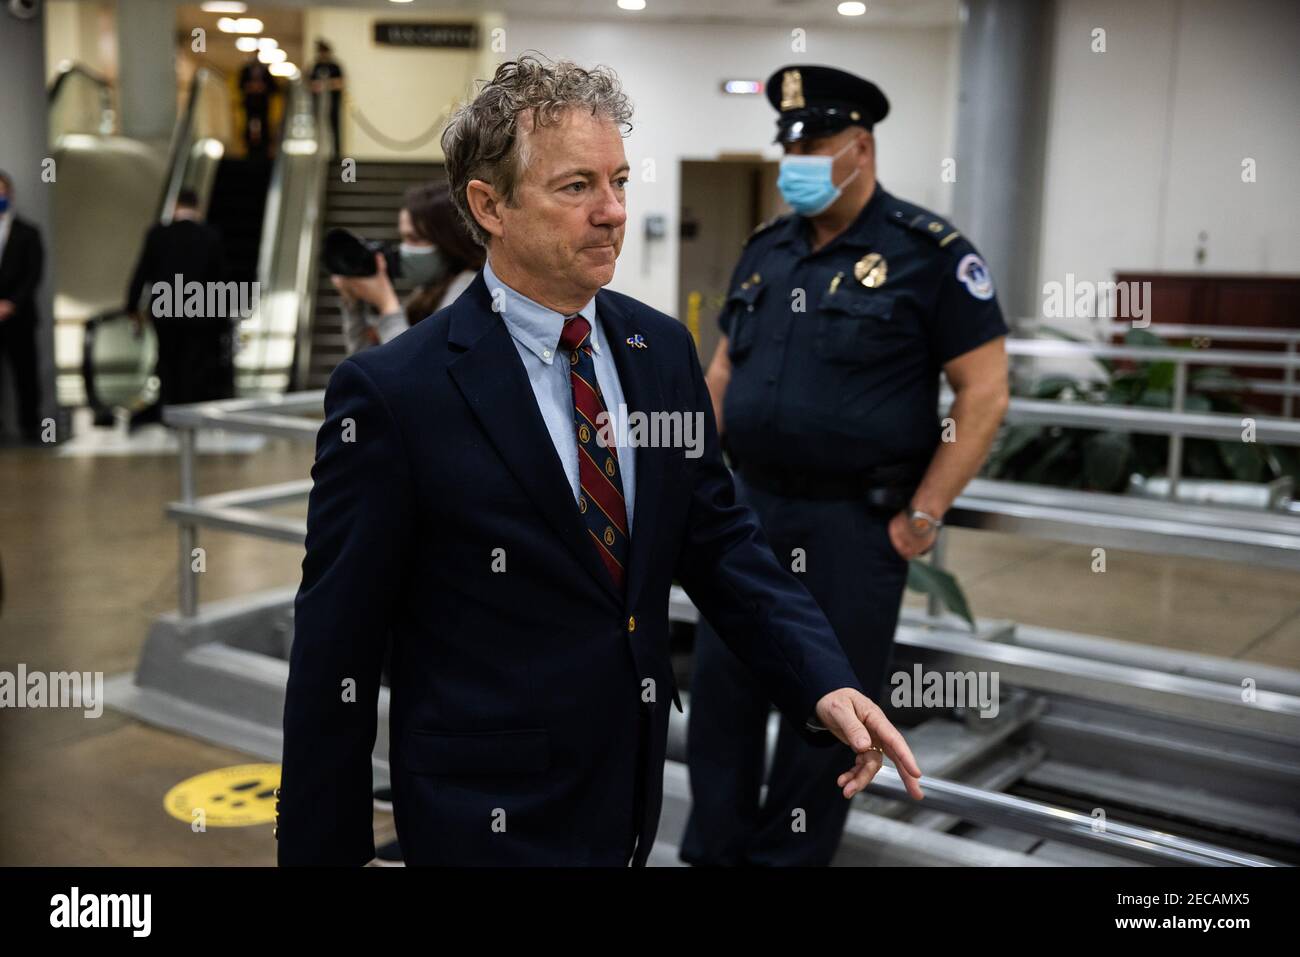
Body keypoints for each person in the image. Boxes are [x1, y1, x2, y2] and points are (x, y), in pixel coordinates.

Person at [276, 55, 924, 867]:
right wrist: (321, 853)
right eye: (576, 187)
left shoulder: (659, 351)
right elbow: (336, 644)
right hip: (484, 808)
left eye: (618, 180)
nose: (613, 212)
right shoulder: (395, 392)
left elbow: (718, 539)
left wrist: (822, 678)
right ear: (490, 205)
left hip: (627, 789)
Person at [681, 65, 1010, 867]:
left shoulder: (930, 254)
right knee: (723, 699)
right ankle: (716, 854)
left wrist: (924, 513)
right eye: (789, 142)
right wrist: (688, 483)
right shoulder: (767, 250)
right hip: (747, 515)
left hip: (854, 528)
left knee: (833, 718)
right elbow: (723, 372)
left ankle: (787, 863)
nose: (797, 156)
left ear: (860, 148)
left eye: (816, 142)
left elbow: (984, 391)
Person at [333, 182, 483, 356]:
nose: (404, 249)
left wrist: (386, 304)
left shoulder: (469, 290)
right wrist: (354, 303)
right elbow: (366, 361)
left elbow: (415, 369)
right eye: (403, 238)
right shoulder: (427, 292)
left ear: (449, 242)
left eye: (415, 238)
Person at [124, 188, 229, 428]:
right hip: (199, 312)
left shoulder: (158, 234)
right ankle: (191, 413)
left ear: (175, 207)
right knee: (194, 362)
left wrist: (132, 306)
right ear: (198, 207)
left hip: (165, 311)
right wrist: (221, 316)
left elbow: (141, 272)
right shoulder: (210, 236)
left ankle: (169, 411)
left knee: (167, 360)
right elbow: (221, 278)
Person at [0, 170, 46, 446]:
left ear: (10, 194)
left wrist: (11, 303)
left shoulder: (28, 233)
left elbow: (33, 274)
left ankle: (31, 427)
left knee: (25, 374)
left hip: (20, 317)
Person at [308, 40, 345, 159]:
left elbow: (340, 83)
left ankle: (336, 154)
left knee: (334, 127)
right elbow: (310, 84)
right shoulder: (316, 66)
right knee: (318, 127)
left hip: (332, 103)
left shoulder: (335, 67)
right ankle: (318, 150)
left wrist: (325, 84)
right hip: (318, 104)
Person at [238, 53, 279, 159]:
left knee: (264, 125)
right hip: (250, 104)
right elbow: (240, 85)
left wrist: (263, 88)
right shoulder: (246, 70)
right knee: (248, 124)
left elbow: (274, 88)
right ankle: (249, 149)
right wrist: (250, 87)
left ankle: (263, 149)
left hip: (263, 105)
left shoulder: (265, 71)